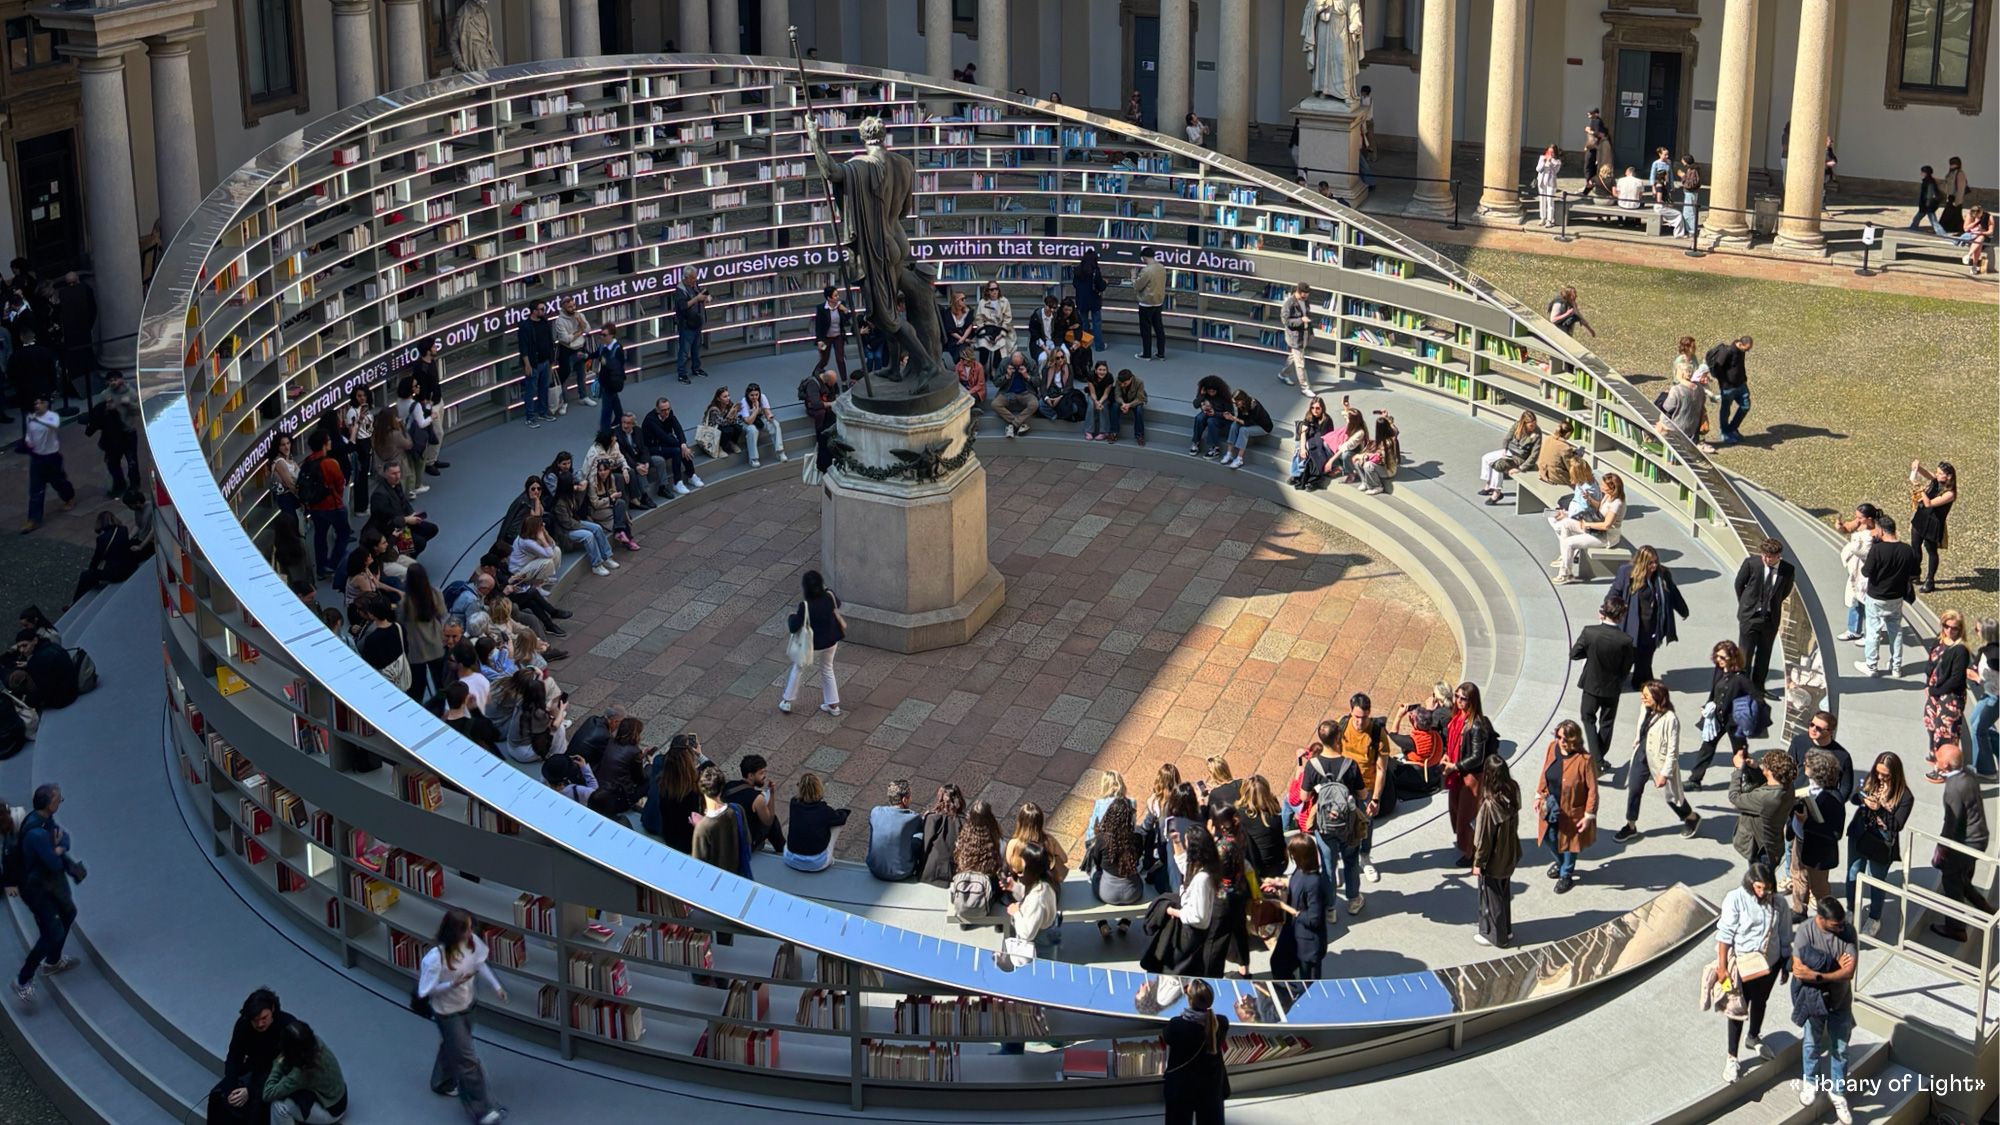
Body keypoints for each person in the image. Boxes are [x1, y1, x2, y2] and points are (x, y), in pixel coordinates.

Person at [418, 909, 506, 1124]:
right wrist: (452, 984)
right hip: (447, 1013)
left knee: (453, 1046)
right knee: (468, 1061)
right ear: (454, 931)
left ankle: (442, 1081)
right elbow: (425, 991)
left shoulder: (471, 943)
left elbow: (479, 964)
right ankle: (482, 1110)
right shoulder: (435, 959)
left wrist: (497, 986)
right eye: (466, 928)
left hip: (467, 1005)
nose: (471, 932)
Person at [1715, 863, 1793, 1083]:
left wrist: (1785, 964)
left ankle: (1754, 1037)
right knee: (1736, 1009)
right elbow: (1725, 934)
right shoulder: (1735, 899)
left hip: (1770, 963)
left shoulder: (1779, 902)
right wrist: (1722, 968)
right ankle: (1732, 1057)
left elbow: (1785, 933)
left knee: (1761, 1001)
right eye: (1759, 887)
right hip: (1744, 966)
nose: (1763, 892)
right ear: (1750, 883)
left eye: (1767, 888)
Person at [1792, 897, 1859, 1124]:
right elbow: (1799, 969)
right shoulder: (1805, 931)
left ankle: (1837, 1092)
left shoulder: (1848, 932)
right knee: (1812, 1042)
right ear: (1821, 919)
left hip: (1840, 1001)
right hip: (1814, 1001)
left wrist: (1819, 973)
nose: (1841, 928)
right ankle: (1810, 1081)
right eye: (1835, 925)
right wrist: (1833, 966)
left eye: (1842, 924)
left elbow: (1848, 972)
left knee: (1840, 1047)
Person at [13, 784, 79, 1001]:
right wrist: (58, 848)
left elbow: (64, 837)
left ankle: (53, 962)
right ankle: (23, 979)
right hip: (37, 890)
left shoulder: (44, 820)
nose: (60, 801)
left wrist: (60, 846)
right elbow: (53, 861)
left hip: (49, 884)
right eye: (58, 799)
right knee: (53, 933)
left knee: (69, 913)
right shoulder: (37, 834)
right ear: (49, 804)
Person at [1615, 681, 1699, 841]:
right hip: (1642, 755)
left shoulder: (1670, 719)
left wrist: (1665, 774)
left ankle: (1691, 817)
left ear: (1657, 697)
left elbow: (1673, 751)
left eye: (1646, 696)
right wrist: (1637, 740)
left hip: (1659, 761)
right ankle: (1630, 825)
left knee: (1672, 796)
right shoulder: (1645, 708)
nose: (1642, 698)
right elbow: (1642, 726)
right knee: (1634, 789)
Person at [1930, 741, 1993, 942]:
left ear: (1946, 766)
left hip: (1966, 843)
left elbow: (1952, 823)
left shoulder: (1954, 788)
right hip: (1979, 838)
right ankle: (1984, 907)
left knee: (1952, 880)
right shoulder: (1968, 775)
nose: (1935, 761)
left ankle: (1956, 928)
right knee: (1963, 877)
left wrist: (1941, 850)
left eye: (1938, 759)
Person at [1845, 752, 1913, 938]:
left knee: (1876, 881)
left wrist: (1879, 809)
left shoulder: (1905, 796)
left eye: (1886, 775)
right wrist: (1862, 799)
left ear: (1895, 774)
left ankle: (1874, 918)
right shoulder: (1872, 780)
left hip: (1881, 842)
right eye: (1878, 772)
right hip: (1860, 833)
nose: (1881, 777)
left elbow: (1897, 825)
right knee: (1853, 872)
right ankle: (1851, 909)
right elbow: (1853, 797)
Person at [207, 987, 297, 1124]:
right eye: (255, 1020)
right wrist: (232, 1086)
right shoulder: (244, 1024)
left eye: (264, 1018)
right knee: (219, 1097)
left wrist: (251, 1090)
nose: (260, 1024)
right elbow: (234, 1056)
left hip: (281, 1077)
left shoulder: (288, 1027)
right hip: (255, 1068)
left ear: (272, 1009)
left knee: (257, 1108)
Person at [1570, 597, 1635, 770]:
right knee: (1607, 723)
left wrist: (1591, 653)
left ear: (1603, 612)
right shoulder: (1626, 640)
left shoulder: (1589, 632)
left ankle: (1597, 760)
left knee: (1587, 718)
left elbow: (1574, 654)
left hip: (1591, 684)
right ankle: (1599, 757)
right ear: (1621, 616)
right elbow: (1626, 667)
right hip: (1612, 688)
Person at [1610, 547, 1688, 689]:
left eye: (1655, 562)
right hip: (1631, 624)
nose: (1654, 566)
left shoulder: (1662, 574)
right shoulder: (1626, 572)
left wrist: (1683, 611)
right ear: (1641, 563)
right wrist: (1609, 611)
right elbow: (1614, 593)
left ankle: (1641, 681)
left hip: (1652, 625)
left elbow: (1673, 594)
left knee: (1645, 657)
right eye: (1650, 563)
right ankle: (1618, 678)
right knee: (1627, 656)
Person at [1536, 720, 1597, 894]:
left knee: (1570, 843)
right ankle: (1561, 862)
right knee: (1548, 836)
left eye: (1566, 738)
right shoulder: (1552, 747)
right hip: (1551, 803)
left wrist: (1588, 814)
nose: (1561, 741)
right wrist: (1539, 794)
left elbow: (1592, 788)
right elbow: (1544, 771)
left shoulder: (1584, 759)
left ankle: (1566, 874)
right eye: (1559, 736)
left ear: (1575, 739)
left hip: (1572, 809)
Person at [1855, 515, 1919, 678]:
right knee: (1895, 631)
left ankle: (1871, 666)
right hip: (1896, 597)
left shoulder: (1877, 550)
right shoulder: (1907, 550)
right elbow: (1914, 573)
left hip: (1876, 597)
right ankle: (1896, 666)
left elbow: (1866, 572)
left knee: (1873, 631)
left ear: (1881, 530)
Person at [1471, 756, 1522, 947]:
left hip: (1494, 858)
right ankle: (1506, 930)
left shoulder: (1489, 805)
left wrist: (1478, 863)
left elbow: (1484, 839)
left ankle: (1494, 935)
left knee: (1492, 897)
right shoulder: (1513, 789)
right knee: (1504, 891)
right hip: (1510, 849)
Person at [780, 569, 844, 717]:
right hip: (831, 640)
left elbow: (794, 626)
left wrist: (791, 617)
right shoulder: (829, 595)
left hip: (812, 644)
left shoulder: (806, 606)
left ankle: (787, 701)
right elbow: (837, 605)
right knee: (828, 668)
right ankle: (833, 705)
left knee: (798, 668)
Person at [1734, 537, 1794, 693]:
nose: (1767, 559)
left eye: (1771, 557)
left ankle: (1758, 688)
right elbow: (1739, 585)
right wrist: (1746, 606)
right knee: (1745, 655)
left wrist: (1771, 606)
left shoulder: (1788, 570)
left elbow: (1785, 592)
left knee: (1764, 655)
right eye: (1764, 555)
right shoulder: (1751, 564)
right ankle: (1743, 687)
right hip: (1750, 617)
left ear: (1778, 556)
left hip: (1770, 619)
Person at [1263, 835, 1329, 977]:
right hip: (1292, 931)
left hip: (1307, 942)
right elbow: (1296, 886)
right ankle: (1290, 993)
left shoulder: (1314, 883)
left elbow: (1314, 920)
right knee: (1278, 963)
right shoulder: (1299, 870)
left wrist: (1284, 907)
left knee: (1309, 983)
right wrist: (1280, 885)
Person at [261, 1021, 347, 1123]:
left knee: (278, 1106)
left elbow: (267, 1094)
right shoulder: (317, 1042)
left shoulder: (301, 1074)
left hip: (330, 1112)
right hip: (339, 1098)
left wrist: (277, 1063)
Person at [1549, 471, 1625, 584]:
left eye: (1604, 484)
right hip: (1595, 528)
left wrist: (1587, 524)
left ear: (1612, 487)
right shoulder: (1608, 496)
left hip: (1605, 536)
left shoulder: (1617, 503)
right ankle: (1565, 559)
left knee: (1569, 543)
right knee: (1565, 524)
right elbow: (1600, 507)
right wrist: (1589, 498)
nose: (1602, 485)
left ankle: (1565, 574)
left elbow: (1606, 525)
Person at [1923, 611, 1973, 775]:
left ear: (1960, 630)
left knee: (1946, 732)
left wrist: (1935, 691)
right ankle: (1935, 754)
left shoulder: (1960, 650)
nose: (1950, 631)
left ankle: (1944, 768)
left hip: (1950, 696)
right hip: (1935, 692)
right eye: (1946, 626)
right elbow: (1931, 665)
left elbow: (1956, 679)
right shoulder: (1939, 641)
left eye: (1955, 628)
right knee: (1931, 724)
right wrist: (1929, 687)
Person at [1730, 747, 1796, 869]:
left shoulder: (1766, 798)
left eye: (1764, 764)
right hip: (1772, 846)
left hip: (1761, 850)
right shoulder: (1787, 785)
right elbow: (1768, 783)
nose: (1762, 765)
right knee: (1764, 879)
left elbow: (1735, 798)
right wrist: (1755, 768)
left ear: (1770, 771)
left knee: (1760, 880)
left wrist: (1738, 770)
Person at [1085, 795, 1148, 920]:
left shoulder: (1102, 840)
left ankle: (1102, 924)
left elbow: (1096, 863)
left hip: (1106, 893)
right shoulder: (1137, 838)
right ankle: (1126, 922)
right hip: (1133, 893)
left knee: (1092, 871)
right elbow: (1138, 859)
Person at [19, 396, 75, 534]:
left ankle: (69, 496)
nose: (38, 405)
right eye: (35, 403)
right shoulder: (30, 418)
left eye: (41, 402)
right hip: (37, 458)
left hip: (52, 457)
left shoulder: (52, 416)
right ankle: (33, 519)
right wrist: (28, 443)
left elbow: (54, 426)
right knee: (36, 489)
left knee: (58, 482)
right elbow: (29, 434)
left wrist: (38, 420)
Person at [641, 736, 702, 852]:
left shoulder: (662, 775)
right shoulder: (693, 785)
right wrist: (700, 756)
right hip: (685, 841)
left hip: (663, 829)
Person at [692, 765, 752, 878]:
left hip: (715, 881)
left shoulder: (702, 828)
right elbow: (747, 841)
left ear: (701, 789)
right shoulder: (737, 810)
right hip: (738, 875)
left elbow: (698, 865)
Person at [782, 773, 849, 873]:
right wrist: (843, 812)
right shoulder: (824, 810)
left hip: (790, 860)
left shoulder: (794, 804)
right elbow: (840, 818)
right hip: (816, 864)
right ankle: (829, 859)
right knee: (836, 825)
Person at [1004, 843, 1061, 962]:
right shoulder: (1044, 881)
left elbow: (1027, 934)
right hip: (1047, 931)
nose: (1018, 875)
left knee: (1042, 969)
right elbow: (1028, 895)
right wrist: (1014, 887)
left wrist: (1016, 912)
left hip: (1039, 943)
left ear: (1031, 871)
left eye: (1021, 871)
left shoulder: (1038, 898)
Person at [1832, 503, 1880, 642]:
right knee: (1855, 597)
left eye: (1860, 517)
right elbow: (1847, 528)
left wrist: (1855, 548)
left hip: (1867, 567)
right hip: (1855, 566)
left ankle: (1870, 633)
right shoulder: (1859, 522)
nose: (1857, 519)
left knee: (1867, 600)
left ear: (1869, 518)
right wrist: (1840, 527)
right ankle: (1854, 630)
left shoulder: (1877, 530)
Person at [1908, 459, 1957, 594]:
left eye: (1940, 473)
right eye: (1937, 471)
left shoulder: (1949, 494)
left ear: (1948, 476)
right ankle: (1914, 573)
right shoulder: (1936, 480)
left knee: (1931, 550)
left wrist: (1921, 490)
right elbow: (1926, 474)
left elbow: (1929, 503)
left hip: (1933, 524)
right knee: (1915, 545)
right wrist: (1918, 467)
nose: (1937, 474)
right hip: (1921, 518)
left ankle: (1930, 580)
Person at [1788, 710, 1855, 803]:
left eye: (1819, 728)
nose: (1813, 729)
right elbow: (1789, 767)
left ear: (1830, 732)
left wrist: (1835, 805)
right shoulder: (1799, 741)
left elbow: (1846, 787)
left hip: (1822, 802)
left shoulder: (1842, 756)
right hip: (1795, 795)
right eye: (1811, 724)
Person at [1477, 412, 1542, 506]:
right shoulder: (1517, 425)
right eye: (1531, 425)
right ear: (1523, 423)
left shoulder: (1537, 433)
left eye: (1534, 423)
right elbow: (1507, 438)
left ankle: (1497, 492)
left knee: (1498, 465)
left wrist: (1520, 468)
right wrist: (1504, 449)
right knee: (1486, 458)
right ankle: (1489, 485)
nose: (1533, 427)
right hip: (1509, 452)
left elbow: (1534, 454)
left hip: (1520, 458)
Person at [865, 778, 924, 882]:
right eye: (910, 796)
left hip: (875, 869)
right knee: (919, 836)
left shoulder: (876, 811)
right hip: (902, 872)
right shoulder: (913, 818)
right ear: (904, 800)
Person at [1705, 335, 1754, 444]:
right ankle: (1724, 432)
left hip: (1741, 385)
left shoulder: (1741, 351)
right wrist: (1725, 382)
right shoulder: (1727, 352)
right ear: (1740, 344)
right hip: (1728, 388)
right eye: (1747, 349)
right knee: (1725, 410)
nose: (1748, 351)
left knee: (1745, 406)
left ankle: (1732, 428)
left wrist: (1743, 378)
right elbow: (1717, 369)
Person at [551, 298, 596, 414]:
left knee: (582, 375)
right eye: (570, 307)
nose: (573, 308)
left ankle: (583, 397)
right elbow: (565, 339)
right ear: (564, 308)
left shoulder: (580, 315)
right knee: (565, 378)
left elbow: (588, 329)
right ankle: (564, 403)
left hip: (580, 349)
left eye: (574, 305)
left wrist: (580, 322)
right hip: (567, 352)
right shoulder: (559, 321)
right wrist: (580, 331)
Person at [514, 302, 555, 429]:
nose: (544, 311)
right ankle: (530, 417)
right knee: (531, 390)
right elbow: (523, 348)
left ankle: (542, 412)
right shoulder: (525, 326)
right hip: (533, 363)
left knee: (544, 387)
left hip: (545, 361)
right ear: (534, 311)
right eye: (541, 309)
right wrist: (527, 364)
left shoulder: (545, 322)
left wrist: (551, 360)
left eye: (544, 309)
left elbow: (550, 341)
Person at [918, 784, 965, 886]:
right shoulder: (964, 822)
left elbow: (925, 847)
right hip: (952, 872)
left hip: (930, 871)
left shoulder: (931, 818)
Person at [1970, 618, 1999, 777]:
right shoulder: (1988, 650)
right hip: (1988, 694)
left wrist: (1977, 678)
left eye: (1977, 629)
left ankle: (1985, 770)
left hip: (1994, 698)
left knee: (1977, 729)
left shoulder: (1993, 656)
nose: (1976, 632)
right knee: (1977, 723)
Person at [672, 272, 710, 382]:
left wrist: (706, 297)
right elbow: (683, 306)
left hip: (697, 322)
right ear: (686, 277)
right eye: (693, 278)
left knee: (696, 348)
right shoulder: (680, 289)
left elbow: (700, 296)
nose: (695, 279)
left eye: (695, 277)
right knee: (684, 350)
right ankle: (682, 374)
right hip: (686, 324)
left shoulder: (695, 285)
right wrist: (697, 298)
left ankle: (696, 368)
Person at [737, 383, 786, 466]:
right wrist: (756, 410)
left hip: (759, 419)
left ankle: (780, 452)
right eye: (752, 395)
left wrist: (770, 417)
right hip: (746, 422)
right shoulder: (744, 402)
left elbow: (767, 412)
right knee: (752, 430)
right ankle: (753, 459)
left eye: (756, 394)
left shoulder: (762, 397)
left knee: (775, 424)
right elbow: (749, 421)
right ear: (748, 395)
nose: (754, 397)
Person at [1278, 281, 1314, 393]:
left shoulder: (1305, 300)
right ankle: (1305, 387)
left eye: (1307, 295)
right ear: (1299, 292)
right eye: (1304, 295)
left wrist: (1311, 331)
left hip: (1304, 334)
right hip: (1295, 338)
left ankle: (1283, 374)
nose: (1306, 297)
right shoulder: (1289, 303)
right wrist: (1300, 320)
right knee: (1300, 363)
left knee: (1294, 357)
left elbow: (1308, 315)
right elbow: (1285, 321)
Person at [991, 351, 1037, 437]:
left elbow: (1038, 382)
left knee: (1034, 404)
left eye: (1019, 365)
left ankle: (1012, 425)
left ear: (1022, 360)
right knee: (995, 404)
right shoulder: (1004, 363)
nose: (1017, 367)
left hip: (1025, 393)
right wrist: (1007, 376)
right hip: (1007, 393)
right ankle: (1019, 423)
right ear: (1011, 360)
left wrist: (1026, 375)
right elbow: (996, 383)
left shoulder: (1031, 363)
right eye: (1015, 365)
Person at [972, 280, 1013, 376]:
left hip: (1000, 328)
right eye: (992, 289)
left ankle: (994, 367)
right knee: (983, 344)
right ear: (988, 291)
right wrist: (984, 334)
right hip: (986, 329)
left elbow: (1007, 319)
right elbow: (979, 320)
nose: (994, 291)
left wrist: (1001, 334)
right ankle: (983, 367)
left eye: (996, 289)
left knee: (1001, 344)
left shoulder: (1004, 301)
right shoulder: (982, 302)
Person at [811, 285, 851, 383]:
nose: (838, 297)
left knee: (840, 359)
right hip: (826, 338)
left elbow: (847, 321)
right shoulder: (821, 308)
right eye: (835, 296)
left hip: (838, 336)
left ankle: (844, 381)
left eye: (838, 295)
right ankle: (814, 376)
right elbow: (818, 325)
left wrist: (845, 310)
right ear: (829, 298)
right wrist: (819, 340)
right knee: (824, 360)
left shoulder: (841, 305)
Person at [1133, 248, 1166, 361]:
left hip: (1146, 303)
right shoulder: (1161, 267)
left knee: (1146, 330)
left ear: (1144, 257)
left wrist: (1133, 276)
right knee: (1159, 328)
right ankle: (1161, 353)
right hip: (1158, 302)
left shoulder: (1146, 271)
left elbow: (1137, 286)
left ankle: (1146, 354)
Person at [1073, 247, 1108, 341]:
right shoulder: (1095, 271)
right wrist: (1105, 283)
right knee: (1096, 323)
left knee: (1084, 323)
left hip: (1081, 301)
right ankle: (1099, 346)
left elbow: (1075, 284)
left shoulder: (1077, 270)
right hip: (1094, 301)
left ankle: (1085, 344)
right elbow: (1100, 286)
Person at [1111, 366, 1148, 446]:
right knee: (1114, 406)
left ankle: (1139, 435)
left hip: (1135, 400)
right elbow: (1117, 395)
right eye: (1121, 383)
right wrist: (1123, 404)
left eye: (1125, 383)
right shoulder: (1118, 381)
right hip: (1124, 400)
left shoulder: (1139, 382)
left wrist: (1129, 405)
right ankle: (1114, 432)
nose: (1122, 385)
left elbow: (1140, 398)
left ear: (1131, 378)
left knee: (1139, 410)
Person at [1534, 145, 1562, 227]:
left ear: (1555, 153)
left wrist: (1550, 163)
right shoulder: (1542, 158)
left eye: (1552, 152)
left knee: (1549, 201)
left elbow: (1555, 172)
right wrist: (1543, 162)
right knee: (1542, 200)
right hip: (1542, 182)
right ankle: (1542, 218)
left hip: (1550, 183)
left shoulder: (1557, 162)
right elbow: (1538, 169)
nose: (1550, 153)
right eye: (1549, 151)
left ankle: (1550, 220)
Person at [1912, 164, 1946, 230]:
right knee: (1918, 217)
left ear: (1926, 173)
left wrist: (1927, 203)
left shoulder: (1928, 181)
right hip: (1926, 204)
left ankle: (1941, 233)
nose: (1921, 173)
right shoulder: (1929, 180)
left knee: (1933, 221)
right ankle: (1913, 227)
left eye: (1922, 172)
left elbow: (1929, 193)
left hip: (1928, 204)